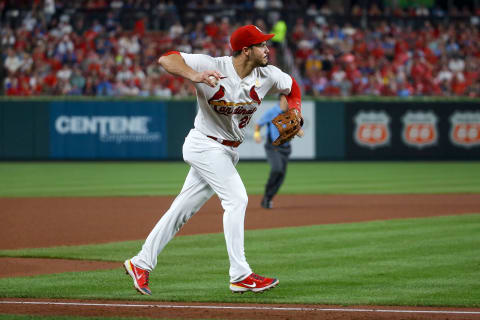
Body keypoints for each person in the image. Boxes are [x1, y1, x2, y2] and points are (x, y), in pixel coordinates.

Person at [123, 25, 303, 295]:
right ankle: (240, 274)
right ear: (246, 50)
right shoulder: (211, 65)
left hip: (228, 151)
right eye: (262, 45)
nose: (267, 49)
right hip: (203, 145)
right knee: (237, 199)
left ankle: (141, 263)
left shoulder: (268, 75)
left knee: (180, 212)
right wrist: (195, 75)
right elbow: (166, 59)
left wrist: (297, 112)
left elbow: (292, 87)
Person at [254, 101, 291, 209]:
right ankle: (267, 194)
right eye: (286, 99)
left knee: (281, 177)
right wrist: (257, 135)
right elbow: (258, 124)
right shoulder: (272, 112)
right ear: (281, 99)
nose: (288, 102)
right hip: (273, 147)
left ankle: (268, 198)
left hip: (286, 148)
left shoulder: (291, 112)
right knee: (277, 169)